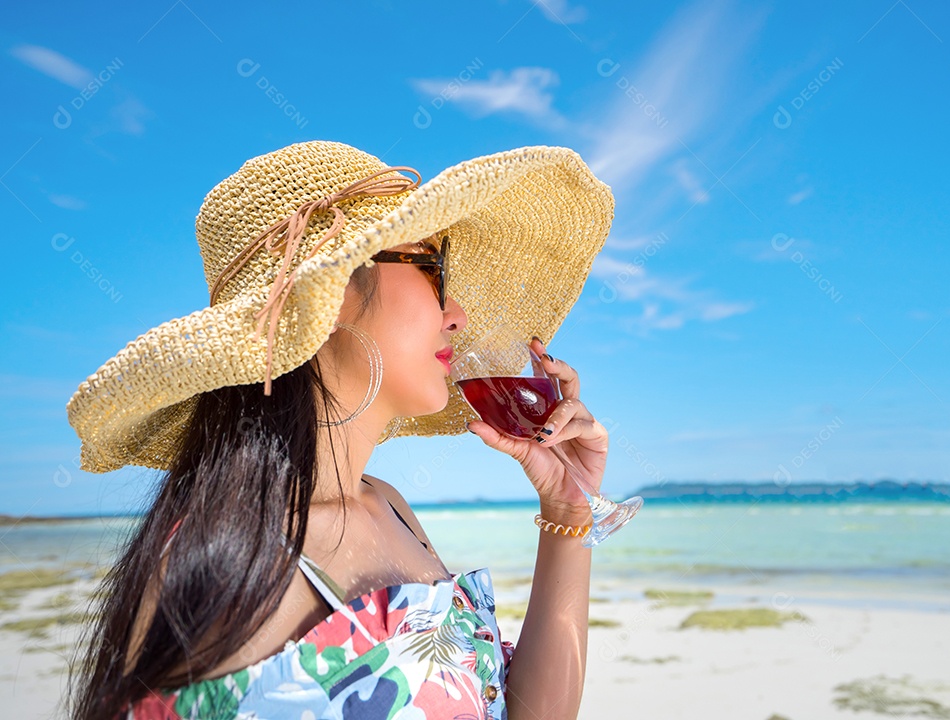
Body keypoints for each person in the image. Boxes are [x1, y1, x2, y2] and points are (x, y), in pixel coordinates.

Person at [63, 140, 616, 719]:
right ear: (327, 297)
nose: (457, 314)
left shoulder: (388, 507)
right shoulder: (225, 567)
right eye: (430, 266)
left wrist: (568, 512)